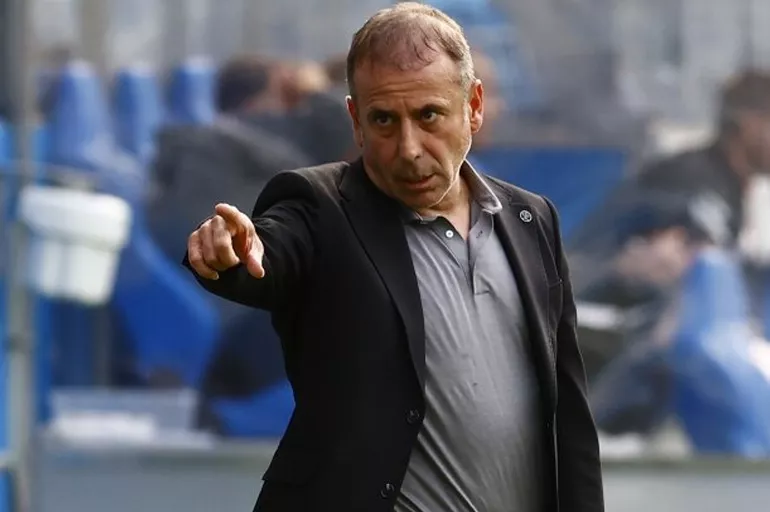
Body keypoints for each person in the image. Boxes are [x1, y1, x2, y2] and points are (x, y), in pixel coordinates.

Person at [184, 3, 603, 511]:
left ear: (473, 106)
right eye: (384, 120)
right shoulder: (321, 207)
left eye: (429, 116)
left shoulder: (531, 219)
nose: (408, 148)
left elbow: (569, 416)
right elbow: (270, 253)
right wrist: (231, 253)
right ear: (356, 121)